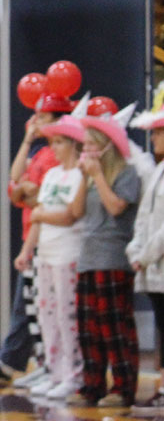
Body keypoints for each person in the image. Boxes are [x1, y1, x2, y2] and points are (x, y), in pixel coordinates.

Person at [0, 99, 69, 384]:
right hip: (31, 233)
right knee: (30, 304)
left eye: (42, 117)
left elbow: (42, 195)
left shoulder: (58, 157)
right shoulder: (40, 151)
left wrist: (26, 192)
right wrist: (27, 141)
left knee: (42, 307)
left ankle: (27, 363)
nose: (35, 121)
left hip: (48, 236)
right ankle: (20, 361)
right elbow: (15, 185)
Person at [66, 115, 141, 407]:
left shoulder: (127, 174)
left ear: (106, 147)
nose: (85, 151)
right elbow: (76, 211)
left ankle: (123, 387)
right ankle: (92, 385)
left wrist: (97, 174)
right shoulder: (89, 177)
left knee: (114, 325)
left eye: (89, 146)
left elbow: (117, 207)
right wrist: (84, 178)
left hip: (113, 258)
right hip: (88, 258)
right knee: (88, 328)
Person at [13, 116, 84, 399]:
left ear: (73, 145)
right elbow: (38, 217)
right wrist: (26, 250)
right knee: (47, 315)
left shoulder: (79, 175)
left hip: (69, 253)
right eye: (52, 141)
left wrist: (42, 213)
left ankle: (73, 373)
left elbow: (69, 215)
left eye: (58, 142)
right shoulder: (53, 175)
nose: (53, 148)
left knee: (68, 318)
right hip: (46, 252)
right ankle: (54, 371)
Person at [126, 103, 164, 416]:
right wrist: (136, 250)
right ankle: (161, 389)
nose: (153, 139)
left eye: (159, 133)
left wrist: (148, 253)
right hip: (152, 270)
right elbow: (144, 217)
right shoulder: (158, 171)